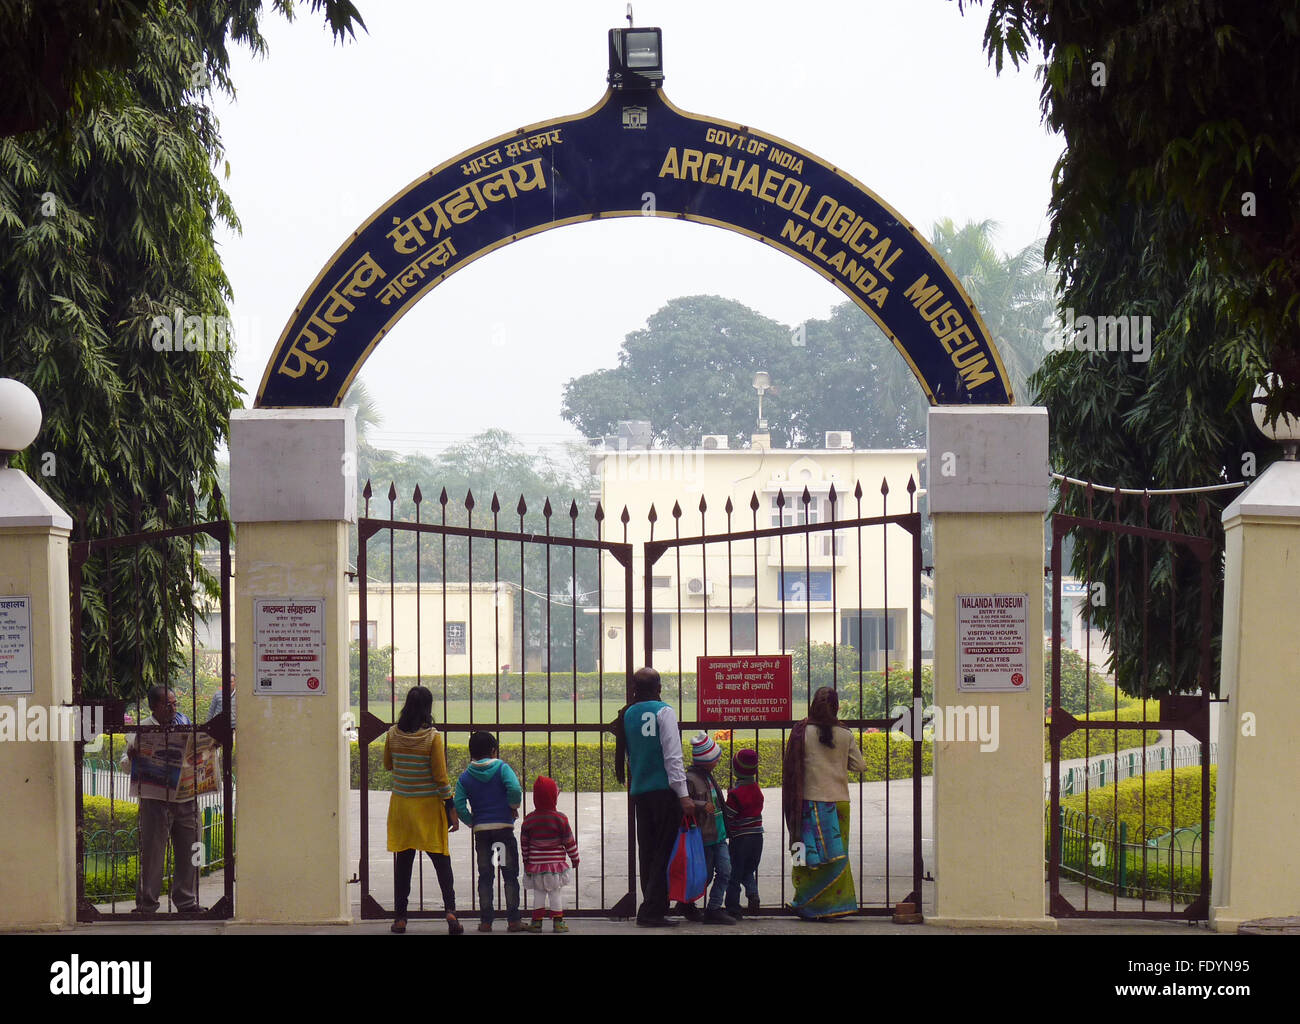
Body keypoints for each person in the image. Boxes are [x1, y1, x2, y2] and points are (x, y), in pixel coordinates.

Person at [611, 666, 693, 928]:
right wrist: (683, 794)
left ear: (634, 688)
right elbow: (672, 756)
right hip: (664, 792)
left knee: (647, 851)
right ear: (658, 688)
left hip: (640, 792)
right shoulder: (664, 711)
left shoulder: (628, 713)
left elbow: (629, 754)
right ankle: (652, 910)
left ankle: (651, 905)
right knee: (663, 851)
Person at [781, 686, 866, 920]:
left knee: (802, 853)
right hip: (838, 803)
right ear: (837, 707)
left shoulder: (800, 731)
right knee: (836, 855)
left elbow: (790, 767)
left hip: (805, 804)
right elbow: (860, 766)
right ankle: (835, 906)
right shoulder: (845, 734)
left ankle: (803, 902)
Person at [384, 685, 461, 934]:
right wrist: (451, 806)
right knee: (441, 861)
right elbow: (441, 777)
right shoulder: (432, 737)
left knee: (404, 865)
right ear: (428, 708)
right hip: (428, 808)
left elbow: (388, 765)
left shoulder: (392, 734)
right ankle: (450, 911)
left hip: (402, 807)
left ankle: (400, 918)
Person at [123, 685, 202, 915]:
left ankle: (186, 901)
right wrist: (132, 757)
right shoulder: (143, 729)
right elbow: (124, 765)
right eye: (169, 704)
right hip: (155, 799)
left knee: (190, 849)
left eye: (175, 703)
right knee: (153, 851)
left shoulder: (184, 721)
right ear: (155, 707)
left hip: (185, 796)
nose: (174, 708)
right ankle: (147, 904)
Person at [454, 730, 524, 932]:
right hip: (502, 831)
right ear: (494, 750)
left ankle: (486, 921)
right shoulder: (502, 768)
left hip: (482, 833)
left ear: (471, 753)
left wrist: (471, 821)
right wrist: (513, 806)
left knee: (486, 875)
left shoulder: (465, 777)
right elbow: (515, 789)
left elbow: (459, 804)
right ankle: (513, 920)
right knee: (509, 875)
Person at [681, 732, 736, 924]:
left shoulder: (708, 777)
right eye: (716, 758)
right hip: (703, 837)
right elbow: (683, 802)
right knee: (703, 875)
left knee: (725, 871)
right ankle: (686, 903)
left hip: (718, 835)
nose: (718, 760)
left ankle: (713, 908)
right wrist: (700, 805)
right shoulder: (691, 779)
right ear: (706, 760)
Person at [519, 775, 580, 932]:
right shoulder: (560, 819)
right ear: (554, 797)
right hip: (555, 867)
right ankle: (558, 923)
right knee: (555, 893)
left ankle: (536, 923)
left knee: (538, 894)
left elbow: (524, 843)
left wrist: (526, 860)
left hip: (536, 866)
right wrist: (575, 858)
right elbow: (569, 841)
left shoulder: (529, 820)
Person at [724, 747, 764, 917]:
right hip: (757, 836)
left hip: (741, 839)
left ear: (735, 770)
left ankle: (733, 908)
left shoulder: (735, 794)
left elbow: (729, 816)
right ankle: (753, 895)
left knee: (735, 872)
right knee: (748, 870)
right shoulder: (757, 790)